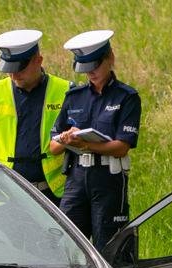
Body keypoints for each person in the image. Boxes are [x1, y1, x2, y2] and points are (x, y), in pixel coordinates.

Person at [48, 30, 141, 250]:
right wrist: (66, 139)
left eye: (95, 66)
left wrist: (86, 145)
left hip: (108, 178)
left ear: (110, 58)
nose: (90, 73)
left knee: (108, 245)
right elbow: (53, 147)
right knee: (67, 244)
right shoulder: (74, 97)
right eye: (85, 68)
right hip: (76, 178)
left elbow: (122, 147)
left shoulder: (127, 97)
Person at [0, 29, 72, 205]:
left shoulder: (66, 90)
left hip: (55, 194)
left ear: (38, 60)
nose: (13, 75)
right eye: (9, 69)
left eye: (20, 68)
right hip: (5, 195)